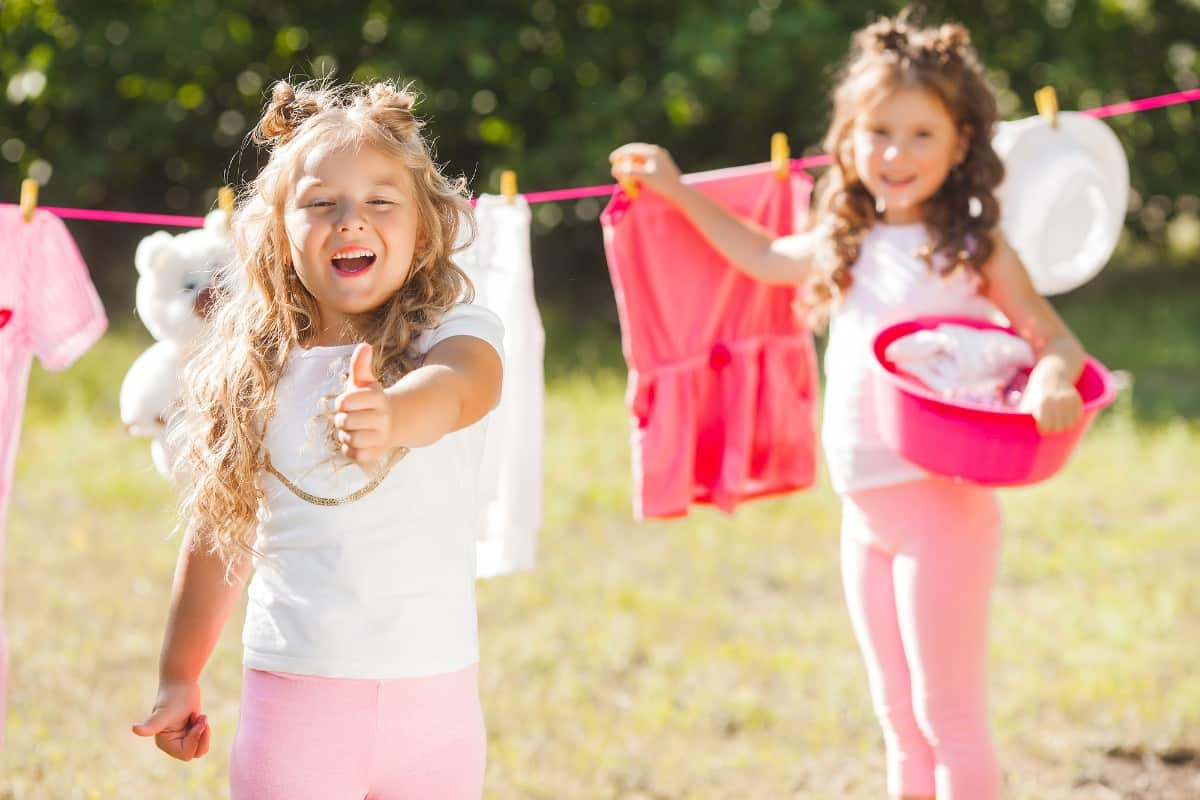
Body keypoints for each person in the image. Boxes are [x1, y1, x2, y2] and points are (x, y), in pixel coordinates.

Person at [610, 14, 1086, 800]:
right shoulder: (847, 237)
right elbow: (762, 257)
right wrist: (676, 188)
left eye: (920, 134)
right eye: (877, 132)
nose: (894, 154)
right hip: (863, 512)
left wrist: (1050, 381)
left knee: (948, 716)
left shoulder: (973, 251)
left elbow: (1056, 340)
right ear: (849, 139)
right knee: (896, 716)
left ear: (962, 142)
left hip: (945, 513)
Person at [132, 79, 503, 800]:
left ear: (423, 228)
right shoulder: (253, 374)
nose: (350, 220)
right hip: (295, 698)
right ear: (277, 231)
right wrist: (178, 675)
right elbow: (220, 535)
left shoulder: (448, 334)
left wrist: (394, 414)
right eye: (321, 203)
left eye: (379, 202)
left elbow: (469, 386)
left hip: (437, 702)